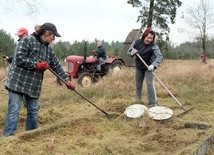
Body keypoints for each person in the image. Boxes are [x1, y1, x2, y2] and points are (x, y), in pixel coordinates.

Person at [3, 22, 75, 137]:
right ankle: (8, 138)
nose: (54, 39)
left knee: (33, 111)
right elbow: (19, 58)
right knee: (14, 110)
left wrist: (67, 80)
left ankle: (31, 136)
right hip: (18, 82)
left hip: (33, 86)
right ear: (47, 33)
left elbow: (56, 65)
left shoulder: (48, 50)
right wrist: (36, 65)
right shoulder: (27, 40)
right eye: (53, 36)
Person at [127, 28, 163, 108]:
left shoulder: (154, 46)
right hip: (139, 67)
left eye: (151, 38)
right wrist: (132, 53)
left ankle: (153, 104)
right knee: (138, 85)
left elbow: (159, 57)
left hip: (149, 67)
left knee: (149, 85)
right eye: (148, 37)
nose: (149, 40)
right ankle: (138, 102)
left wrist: (153, 65)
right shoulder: (136, 42)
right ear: (144, 36)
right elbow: (129, 52)